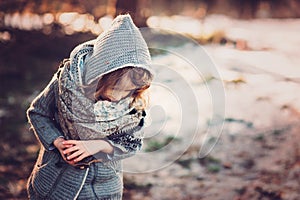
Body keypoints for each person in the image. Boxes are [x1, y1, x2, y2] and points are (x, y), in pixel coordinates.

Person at [26, 14, 154, 199]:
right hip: (54, 181)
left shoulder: (133, 106)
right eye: (116, 89)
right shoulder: (66, 83)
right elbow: (38, 113)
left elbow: (132, 142)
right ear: (99, 75)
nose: (119, 97)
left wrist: (99, 145)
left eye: (128, 91)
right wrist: (58, 141)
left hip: (103, 188)